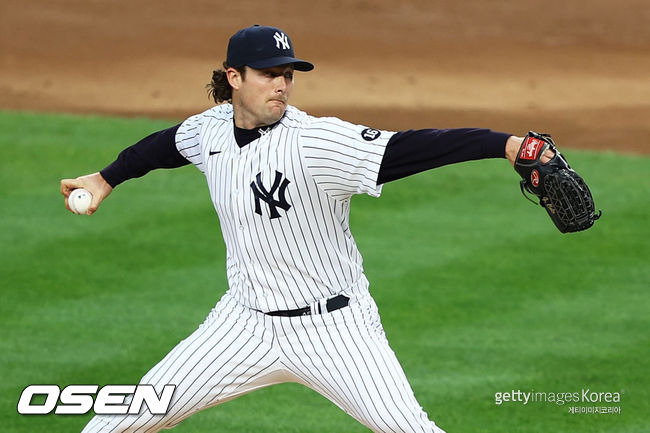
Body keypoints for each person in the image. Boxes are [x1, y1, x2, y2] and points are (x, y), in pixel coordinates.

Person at [61, 25, 552, 433]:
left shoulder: (315, 141)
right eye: (269, 74)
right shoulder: (209, 130)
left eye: (288, 75)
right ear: (234, 77)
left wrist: (505, 145)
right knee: (114, 422)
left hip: (335, 329)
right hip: (243, 324)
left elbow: (410, 148)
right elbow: (164, 146)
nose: (282, 85)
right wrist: (105, 179)